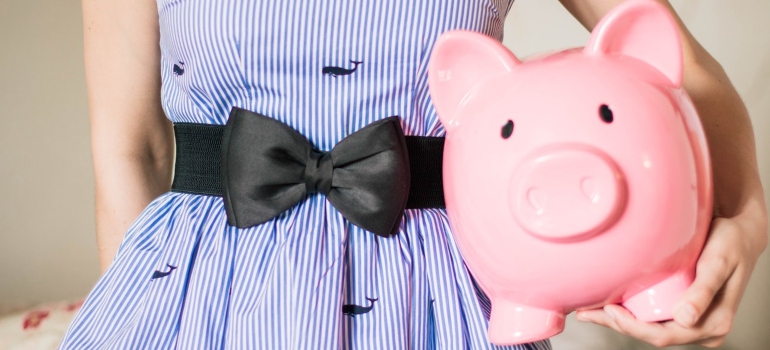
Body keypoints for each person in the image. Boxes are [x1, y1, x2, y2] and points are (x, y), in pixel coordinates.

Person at [61, 0, 767, 348]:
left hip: (429, 301)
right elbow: (133, 150)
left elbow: (685, 71)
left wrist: (747, 222)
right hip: (201, 298)